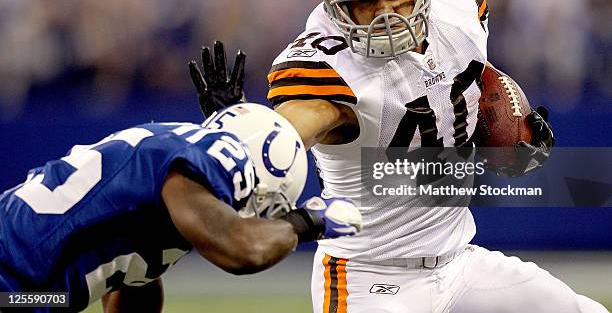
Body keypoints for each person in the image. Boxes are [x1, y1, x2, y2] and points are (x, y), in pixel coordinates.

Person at [189, 0, 608, 313]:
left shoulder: (457, 4)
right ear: (338, 8)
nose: (387, 13)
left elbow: (470, 74)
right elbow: (290, 133)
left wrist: (510, 125)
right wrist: (248, 136)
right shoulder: (329, 68)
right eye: (367, 2)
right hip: (369, 280)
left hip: (460, 261)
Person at [0, 103, 363, 313]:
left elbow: (133, 278)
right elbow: (243, 249)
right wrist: (308, 221)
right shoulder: (211, 161)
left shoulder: (179, 159)